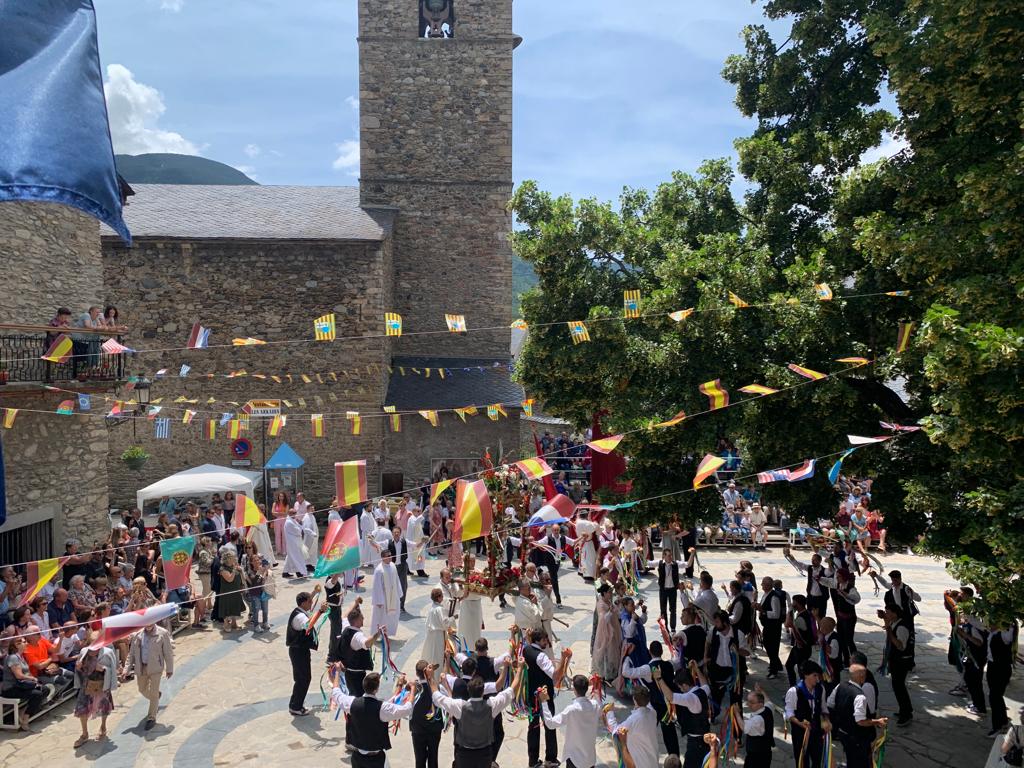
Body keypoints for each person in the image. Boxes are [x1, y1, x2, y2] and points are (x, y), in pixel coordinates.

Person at [430, 659, 525, 768]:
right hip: (484, 754)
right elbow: (511, 689)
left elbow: (438, 698)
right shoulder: (492, 705)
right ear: (483, 691)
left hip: (464, 754)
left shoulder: (460, 707)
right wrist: (520, 668)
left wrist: (430, 677)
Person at [330, 668, 415, 768]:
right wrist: (413, 689)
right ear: (377, 689)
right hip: (376, 760)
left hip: (358, 758)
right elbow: (407, 708)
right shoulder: (382, 708)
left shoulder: (352, 703)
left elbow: (336, 692)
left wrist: (337, 672)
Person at [826, 661, 884, 768]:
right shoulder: (860, 696)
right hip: (857, 738)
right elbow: (860, 721)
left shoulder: (840, 686)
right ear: (862, 677)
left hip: (842, 732)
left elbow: (830, 703)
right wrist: (877, 722)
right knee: (861, 762)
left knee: (850, 757)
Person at [540, 674, 599, 768]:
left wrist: (544, 702)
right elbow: (597, 699)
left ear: (574, 690)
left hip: (575, 761)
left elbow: (550, 724)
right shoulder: (595, 705)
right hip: (590, 759)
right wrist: (596, 686)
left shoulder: (572, 710)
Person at [525, 628, 564, 768]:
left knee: (533, 727)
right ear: (537, 640)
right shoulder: (541, 657)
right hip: (544, 696)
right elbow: (555, 676)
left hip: (531, 695)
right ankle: (551, 759)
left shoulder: (526, 649)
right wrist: (564, 659)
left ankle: (533, 761)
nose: (546, 642)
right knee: (550, 725)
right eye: (543, 640)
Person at [124, 621, 174, 730]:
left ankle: (151, 717)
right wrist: (126, 668)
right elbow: (131, 654)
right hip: (141, 667)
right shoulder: (138, 635)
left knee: (153, 691)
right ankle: (155, 697)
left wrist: (169, 668)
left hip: (156, 667)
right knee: (142, 689)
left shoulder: (162, 633)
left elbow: (168, 652)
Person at [73, 643, 118, 747]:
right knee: (82, 708)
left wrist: (103, 669)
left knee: (104, 707)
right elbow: (80, 668)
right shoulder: (84, 651)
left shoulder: (108, 652)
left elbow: (113, 669)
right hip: (87, 684)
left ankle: (103, 726)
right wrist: (78, 667)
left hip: (102, 685)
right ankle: (84, 734)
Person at [604, 685, 659, 768]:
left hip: (641, 763)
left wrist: (609, 712)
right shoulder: (653, 713)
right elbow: (647, 703)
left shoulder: (633, 720)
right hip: (653, 761)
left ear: (634, 700)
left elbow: (615, 730)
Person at [785, 660, 827, 768]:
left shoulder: (820, 689)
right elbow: (789, 713)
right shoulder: (794, 692)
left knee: (817, 760)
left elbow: (823, 708)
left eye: (818, 676)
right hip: (800, 734)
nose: (817, 679)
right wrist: (800, 723)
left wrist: (826, 721)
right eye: (814, 676)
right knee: (802, 762)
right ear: (805, 675)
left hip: (816, 732)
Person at [2, 636, 48, 732]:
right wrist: (32, 678)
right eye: (24, 642)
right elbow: (19, 676)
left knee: (45, 689)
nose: (26, 643)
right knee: (37, 694)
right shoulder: (13, 657)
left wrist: (33, 681)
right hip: (11, 688)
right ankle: (25, 719)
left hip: (20, 686)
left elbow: (25, 673)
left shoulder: (21, 657)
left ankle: (24, 712)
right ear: (17, 645)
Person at [286, 589, 319, 716]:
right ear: (304, 603)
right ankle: (296, 706)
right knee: (303, 679)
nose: (312, 603)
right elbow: (308, 625)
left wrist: (314, 592)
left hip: (301, 650)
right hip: (298, 651)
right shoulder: (300, 616)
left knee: (302, 678)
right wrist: (320, 612)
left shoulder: (300, 610)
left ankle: (295, 703)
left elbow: (307, 604)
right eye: (310, 601)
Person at [882, 604, 915, 726]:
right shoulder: (894, 623)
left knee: (899, 686)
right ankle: (904, 709)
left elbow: (900, 646)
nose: (887, 614)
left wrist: (890, 632)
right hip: (895, 659)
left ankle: (906, 713)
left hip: (902, 661)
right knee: (897, 686)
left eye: (888, 612)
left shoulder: (902, 627)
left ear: (895, 613)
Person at [986, 621, 1017, 736]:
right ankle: (1003, 721)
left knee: (995, 697)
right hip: (992, 665)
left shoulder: (1006, 632)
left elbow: (1008, 638)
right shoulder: (995, 631)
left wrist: (1000, 626)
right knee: (995, 696)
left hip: (1001, 668)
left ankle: (998, 726)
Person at [592, 583, 623, 682]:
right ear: (604, 593)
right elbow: (603, 619)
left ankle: (613, 671)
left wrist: (616, 607)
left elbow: (617, 613)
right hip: (605, 632)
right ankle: (605, 673)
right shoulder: (601, 604)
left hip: (613, 629)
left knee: (613, 651)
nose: (611, 594)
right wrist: (610, 611)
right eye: (609, 592)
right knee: (607, 651)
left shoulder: (609, 602)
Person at [371, 549, 403, 637]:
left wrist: (399, 593)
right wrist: (379, 601)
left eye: (390, 555)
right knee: (381, 617)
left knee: (392, 617)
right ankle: (378, 635)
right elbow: (377, 587)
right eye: (388, 556)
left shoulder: (393, 566)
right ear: (382, 558)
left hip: (393, 596)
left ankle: (388, 633)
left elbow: (396, 580)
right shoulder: (379, 570)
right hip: (383, 598)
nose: (390, 557)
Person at [785, 595, 816, 687]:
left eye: (793, 602)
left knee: (801, 671)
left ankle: (800, 689)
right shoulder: (807, 613)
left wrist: (790, 611)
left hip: (801, 649)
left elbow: (787, 624)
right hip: (802, 647)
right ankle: (796, 687)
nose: (792, 604)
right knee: (790, 666)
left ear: (797, 604)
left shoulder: (800, 618)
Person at [742, 688, 776, 768]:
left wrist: (736, 714)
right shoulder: (768, 708)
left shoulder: (758, 720)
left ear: (761, 704)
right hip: (766, 752)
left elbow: (744, 727)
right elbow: (768, 700)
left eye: (752, 702)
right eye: (748, 701)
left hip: (756, 756)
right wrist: (761, 690)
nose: (748, 704)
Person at [423, 587, 454, 666]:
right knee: (437, 656)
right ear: (439, 597)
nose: (443, 598)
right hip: (438, 635)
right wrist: (453, 618)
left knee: (430, 654)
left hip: (430, 634)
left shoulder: (432, 608)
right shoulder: (440, 609)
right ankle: (437, 675)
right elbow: (445, 623)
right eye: (442, 596)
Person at [216, 551, 245, 632]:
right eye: (233, 557)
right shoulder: (222, 569)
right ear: (228, 559)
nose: (235, 558)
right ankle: (226, 624)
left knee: (235, 606)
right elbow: (229, 579)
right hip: (227, 591)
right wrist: (234, 570)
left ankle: (234, 623)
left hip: (236, 590)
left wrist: (240, 570)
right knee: (227, 607)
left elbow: (241, 576)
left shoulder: (234, 566)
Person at [458, 557, 484, 648]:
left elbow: (483, 586)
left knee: (476, 627)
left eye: (474, 561)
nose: (473, 563)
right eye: (471, 561)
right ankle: (465, 647)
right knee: (466, 627)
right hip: (466, 604)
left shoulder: (479, 572)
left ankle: (476, 646)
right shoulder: (462, 573)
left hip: (477, 603)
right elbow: (459, 590)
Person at [655, 548, 681, 632]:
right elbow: (647, 563)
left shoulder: (675, 564)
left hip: (673, 590)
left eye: (671, 555)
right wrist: (639, 554)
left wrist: (692, 554)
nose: (670, 557)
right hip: (663, 590)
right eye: (668, 555)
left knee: (673, 609)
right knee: (663, 610)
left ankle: (673, 628)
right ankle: (665, 628)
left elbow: (687, 564)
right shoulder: (660, 563)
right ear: (664, 556)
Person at [282, 508, 308, 579]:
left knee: (290, 557)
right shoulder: (289, 522)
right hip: (292, 543)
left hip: (296, 542)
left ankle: (285, 572)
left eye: (295, 513)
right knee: (296, 557)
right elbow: (298, 531)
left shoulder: (293, 520)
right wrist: (300, 527)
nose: (294, 515)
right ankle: (300, 573)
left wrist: (300, 525)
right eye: (293, 513)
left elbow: (300, 527)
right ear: (289, 514)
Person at [406, 505, 428, 577]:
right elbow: (415, 523)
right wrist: (423, 514)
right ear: (413, 512)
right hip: (414, 543)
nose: (419, 513)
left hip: (419, 542)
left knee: (419, 557)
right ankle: (419, 571)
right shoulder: (411, 519)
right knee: (414, 557)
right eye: (418, 511)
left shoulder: (416, 518)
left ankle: (419, 570)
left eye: (420, 511)